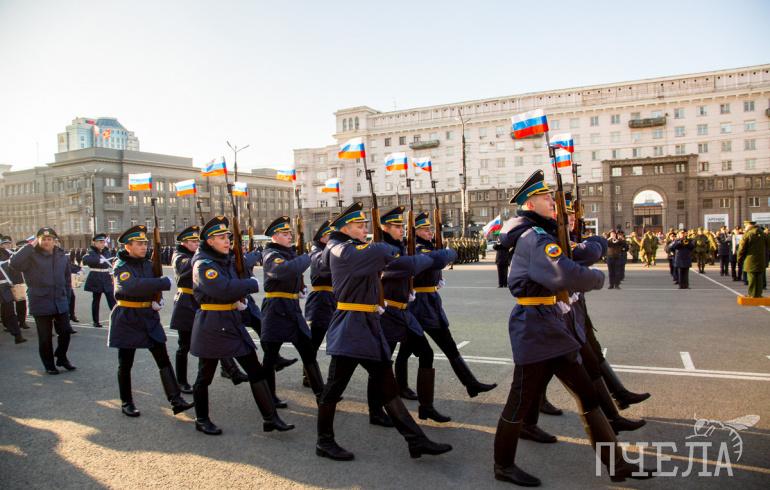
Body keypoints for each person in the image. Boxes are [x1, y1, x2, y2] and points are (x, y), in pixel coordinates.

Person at [493, 170, 653, 485]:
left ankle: (617, 465)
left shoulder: (544, 233)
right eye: (547, 198)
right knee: (519, 400)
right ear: (530, 203)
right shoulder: (533, 237)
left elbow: (573, 258)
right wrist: (598, 278)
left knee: (589, 394)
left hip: (553, 326)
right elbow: (562, 274)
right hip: (535, 330)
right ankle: (502, 466)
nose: (553, 203)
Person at [316, 202, 452, 461]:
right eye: (360, 225)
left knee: (388, 386)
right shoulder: (339, 249)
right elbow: (382, 252)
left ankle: (416, 440)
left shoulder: (352, 247)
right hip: (350, 328)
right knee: (333, 388)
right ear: (344, 227)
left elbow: (397, 260)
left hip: (366, 326)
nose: (365, 228)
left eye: (366, 224)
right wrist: (430, 255)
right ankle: (324, 441)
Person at [189, 216, 293, 435]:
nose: (227, 241)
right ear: (209, 241)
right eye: (221, 238)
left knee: (255, 369)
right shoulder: (203, 264)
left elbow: (233, 282)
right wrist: (250, 284)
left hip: (231, 322)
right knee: (204, 376)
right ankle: (201, 418)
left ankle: (270, 418)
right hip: (212, 325)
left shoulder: (223, 260)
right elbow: (222, 288)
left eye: (227, 237)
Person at [397, 212, 497, 400]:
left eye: (430, 230)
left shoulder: (428, 247)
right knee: (407, 348)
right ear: (415, 231)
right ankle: (401, 386)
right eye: (425, 230)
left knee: (447, 345)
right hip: (418, 304)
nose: (430, 233)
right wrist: (449, 252)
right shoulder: (416, 249)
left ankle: (471, 383)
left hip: (431, 302)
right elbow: (441, 259)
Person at [371, 206, 455, 425]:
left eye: (402, 226)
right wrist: (438, 257)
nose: (401, 230)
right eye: (397, 226)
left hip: (404, 311)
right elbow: (409, 266)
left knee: (426, 353)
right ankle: (375, 411)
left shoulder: (400, 246)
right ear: (385, 228)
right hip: (387, 312)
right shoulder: (381, 249)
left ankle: (426, 407)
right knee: (382, 363)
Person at [108, 225, 194, 417]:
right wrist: (162, 283)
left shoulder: (147, 264)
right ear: (128, 246)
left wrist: (157, 297)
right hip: (128, 316)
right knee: (125, 362)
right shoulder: (121, 265)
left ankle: (175, 399)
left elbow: (148, 285)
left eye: (145, 243)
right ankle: (126, 402)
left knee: (163, 359)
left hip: (148, 315)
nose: (144, 247)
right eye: (139, 244)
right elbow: (130, 287)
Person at [260, 216, 325, 407]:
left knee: (308, 352)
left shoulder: (287, 253)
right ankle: (268, 398)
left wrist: (298, 287)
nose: (289, 236)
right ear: (274, 236)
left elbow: (292, 273)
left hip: (292, 309)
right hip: (276, 309)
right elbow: (283, 271)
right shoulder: (271, 254)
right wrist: (308, 257)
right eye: (285, 233)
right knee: (270, 357)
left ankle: (322, 395)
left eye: (290, 233)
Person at [10, 228, 75, 374]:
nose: (47, 242)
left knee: (65, 332)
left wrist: (67, 297)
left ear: (54, 240)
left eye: (50, 239)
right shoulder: (31, 256)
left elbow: (67, 279)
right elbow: (13, 263)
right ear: (37, 241)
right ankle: (49, 365)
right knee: (45, 337)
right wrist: (29, 246)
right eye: (43, 239)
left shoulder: (61, 255)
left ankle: (61, 357)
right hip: (40, 300)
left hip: (60, 300)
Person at [304, 220, 336, 386]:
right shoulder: (316, 251)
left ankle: (330, 380)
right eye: (330, 236)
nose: (332, 238)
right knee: (315, 340)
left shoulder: (326, 250)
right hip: (321, 300)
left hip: (332, 299)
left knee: (337, 340)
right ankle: (308, 375)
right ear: (322, 238)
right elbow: (324, 267)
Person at [169, 225, 201, 394]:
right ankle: (181, 381)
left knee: (211, 338)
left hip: (198, 301)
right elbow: (186, 269)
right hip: (185, 304)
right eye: (194, 241)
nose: (197, 244)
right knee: (184, 345)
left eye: (198, 241)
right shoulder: (179, 256)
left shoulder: (194, 254)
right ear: (184, 243)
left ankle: (228, 368)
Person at [81, 233, 116, 327]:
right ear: (95, 243)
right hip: (96, 277)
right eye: (100, 242)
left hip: (106, 276)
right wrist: (98, 260)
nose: (102, 244)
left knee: (112, 300)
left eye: (103, 242)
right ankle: (95, 321)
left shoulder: (106, 252)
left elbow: (111, 261)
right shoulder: (91, 252)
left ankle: (117, 320)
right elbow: (86, 260)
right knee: (96, 301)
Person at [0, 236, 26, 344]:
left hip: (4, 286)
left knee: (10, 311)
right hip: (4, 286)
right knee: (8, 311)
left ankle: (17, 335)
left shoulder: (7, 254)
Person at [737, 221, 768, 298]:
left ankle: (752, 295)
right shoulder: (763, 234)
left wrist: (739, 258)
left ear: (749, 225)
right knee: (759, 277)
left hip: (750, 259)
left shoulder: (748, 234)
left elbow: (742, 248)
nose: (745, 227)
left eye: (745, 225)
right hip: (761, 259)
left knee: (751, 277)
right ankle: (758, 294)